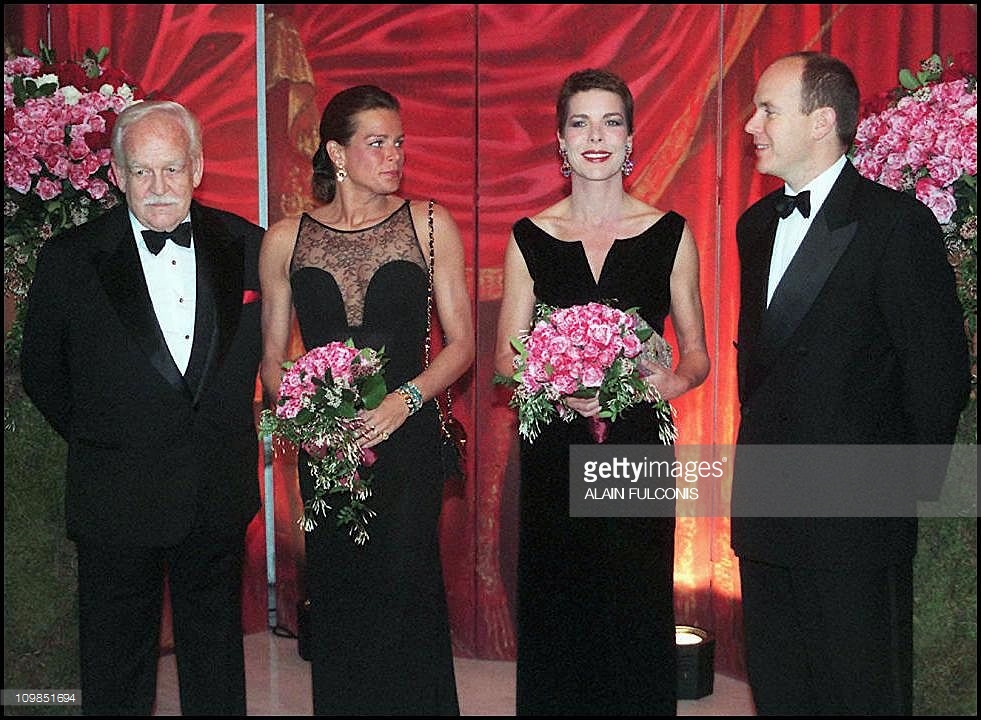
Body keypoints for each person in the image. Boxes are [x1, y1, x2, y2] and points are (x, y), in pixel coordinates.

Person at [731, 51, 971, 715]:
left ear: (820, 121)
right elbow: (761, 367)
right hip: (765, 512)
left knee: (860, 693)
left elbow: (939, 372)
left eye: (767, 109)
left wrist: (898, 491)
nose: (751, 123)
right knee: (780, 688)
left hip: (854, 522)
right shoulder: (753, 227)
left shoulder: (896, 224)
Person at [20, 100, 264, 715]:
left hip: (215, 490)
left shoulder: (249, 246)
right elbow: (42, 371)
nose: (158, 188)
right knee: (114, 666)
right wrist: (109, 437)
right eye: (143, 171)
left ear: (199, 168)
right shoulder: (71, 259)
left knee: (216, 664)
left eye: (172, 170)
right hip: (115, 496)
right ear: (118, 174)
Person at [494, 68, 710, 715]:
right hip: (553, 451)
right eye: (579, 123)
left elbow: (697, 353)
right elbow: (507, 363)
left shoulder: (670, 233)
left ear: (630, 137)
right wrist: (554, 387)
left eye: (610, 122)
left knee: (633, 606)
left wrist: (667, 380)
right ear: (558, 141)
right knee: (559, 608)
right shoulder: (528, 237)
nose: (595, 137)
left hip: (635, 446)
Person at [260, 84, 473, 715]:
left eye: (399, 142)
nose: (394, 155)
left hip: (407, 442)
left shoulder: (431, 224)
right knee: (342, 597)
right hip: (328, 454)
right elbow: (272, 360)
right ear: (336, 152)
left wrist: (405, 400)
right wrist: (311, 415)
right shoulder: (285, 239)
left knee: (407, 593)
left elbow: (460, 345)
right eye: (377, 142)